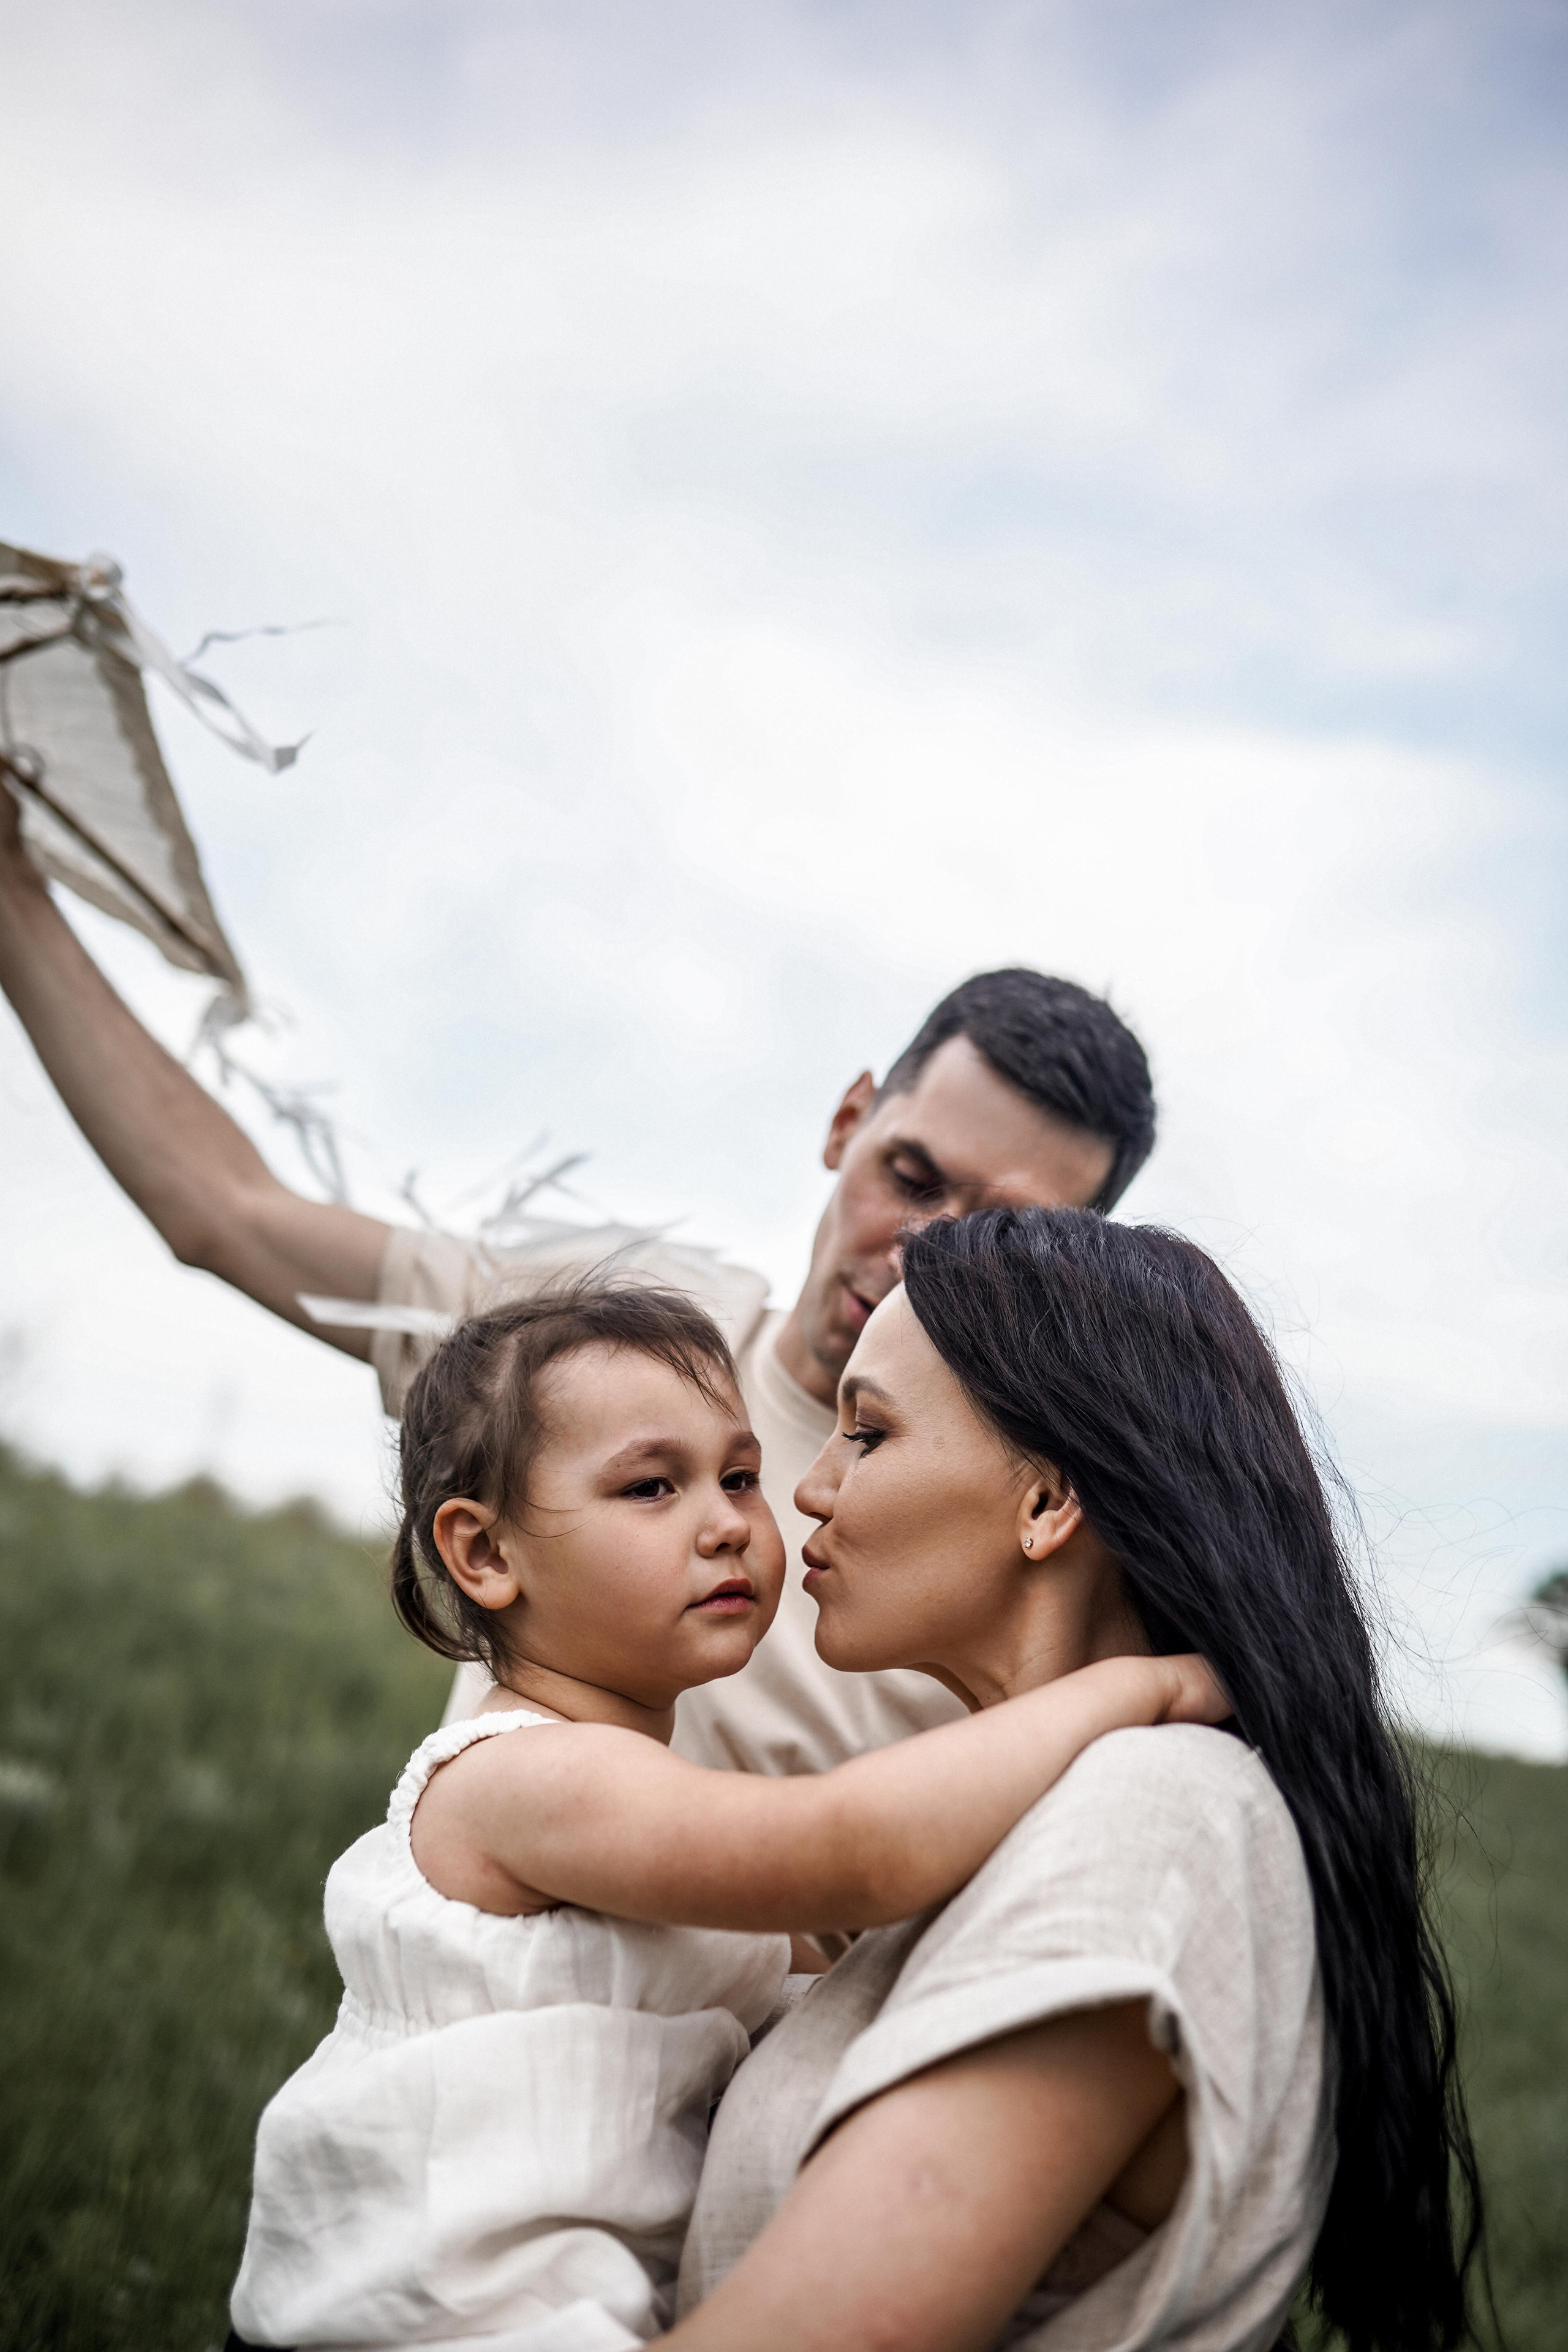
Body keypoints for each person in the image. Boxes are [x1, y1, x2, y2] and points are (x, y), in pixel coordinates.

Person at [0, 780, 1157, 1773]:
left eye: (999, 1229)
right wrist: (12, 890)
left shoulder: (1023, 1538)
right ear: (848, 1120)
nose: (918, 1252)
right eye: (910, 1175)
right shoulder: (608, 1337)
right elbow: (227, 1214)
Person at [227, 1277, 1226, 2352]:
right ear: (485, 1554)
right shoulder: (521, 1776)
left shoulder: (647, 1821)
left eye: (741, 1476)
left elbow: (833, 1982)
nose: (729, 1525)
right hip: (408, 2321)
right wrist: (1133, 1689)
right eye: (651, 1487)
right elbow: (854, 1851)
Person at [666, 1208, 1485, 2352]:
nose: (811, 1488)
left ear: (1048, 1503)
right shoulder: (1025, 1828)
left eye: (870, 1432)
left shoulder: (1155, 1820)